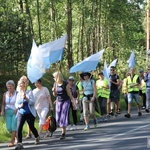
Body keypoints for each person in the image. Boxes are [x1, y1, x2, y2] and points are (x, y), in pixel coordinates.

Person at [15, 77, 40, 149]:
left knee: (31, 127)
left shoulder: (29, 92)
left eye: (21, 84)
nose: (19, 85)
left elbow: (32, 102)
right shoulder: (18, 93)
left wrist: (26, 98)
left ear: (24, 84)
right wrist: (20, 106)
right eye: (18, 84)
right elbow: (16, 104)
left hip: (29, 113)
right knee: (19, 128)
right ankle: (19, 143)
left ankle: (37, 136)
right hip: (21, 113)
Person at [52, 71, 74, 139]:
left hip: (65, 101)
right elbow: (55, 95)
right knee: (58, 117)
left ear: (58, 77)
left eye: (54, 77)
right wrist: (54, 91)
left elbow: (69, 93)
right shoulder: (55, 84)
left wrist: (72, 100)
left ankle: (63, 132)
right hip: (59, 101)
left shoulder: (65, 83)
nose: (53, 78)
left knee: (63, 116)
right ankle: (62, 129)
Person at [0, 80, 17, 147]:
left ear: (13, 86)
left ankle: (11, 141)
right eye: (8, 87)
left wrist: (17, 109)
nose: (9, 88)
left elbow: (20, 102)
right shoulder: (5, 94)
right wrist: (2, 111)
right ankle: (16, 136)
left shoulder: (17, 93)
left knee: (13, 126)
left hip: (15, 112)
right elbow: (3, 104)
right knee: (9, 128)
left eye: (10, 87)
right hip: (7, 112)